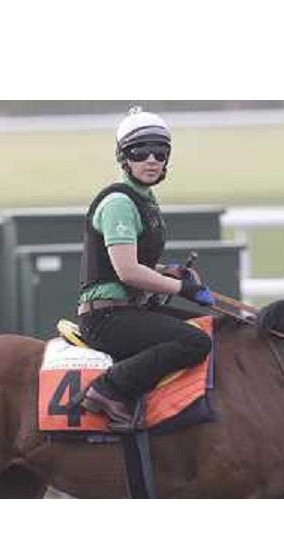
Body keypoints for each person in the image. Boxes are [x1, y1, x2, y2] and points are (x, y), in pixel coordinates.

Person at [77, 106, 215, 430]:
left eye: (160, 152)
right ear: (123, 157)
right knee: (195, 342)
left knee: (211, 327)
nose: (151, 159)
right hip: (106, 318)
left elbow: (138, 264)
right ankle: (107, 389)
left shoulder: (144, 198)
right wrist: (184, 289)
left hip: (127, 310)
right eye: (140, 152)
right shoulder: (120, 203)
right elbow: (128, 272)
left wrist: (169, 272)